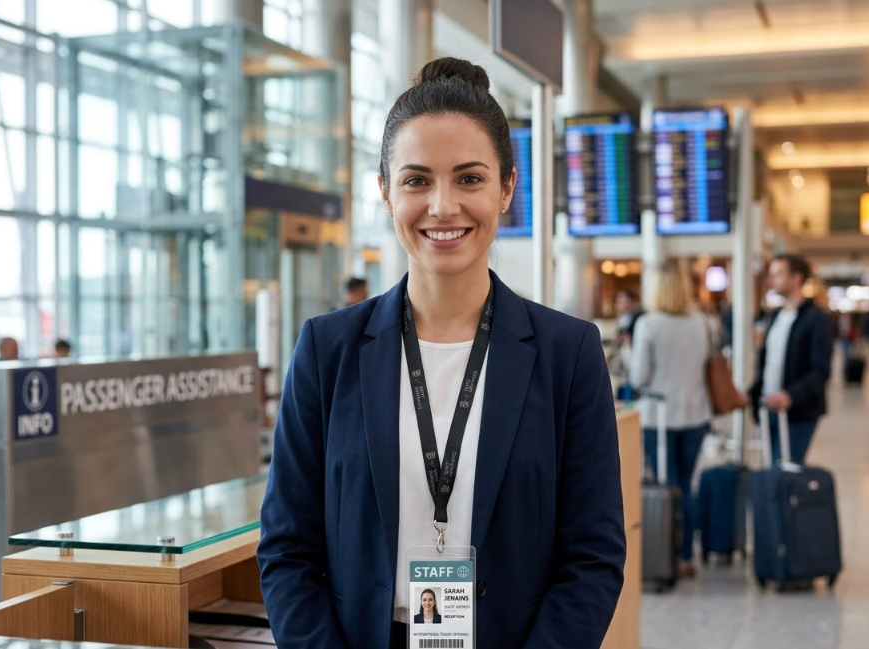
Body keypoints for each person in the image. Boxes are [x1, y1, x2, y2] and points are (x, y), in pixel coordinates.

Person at [257, 57, 625, 649]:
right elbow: (286, 550)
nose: (443, 206)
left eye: (470, 179)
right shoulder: (328, 350)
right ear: (386, 192)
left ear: (507, 189)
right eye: (417, 180)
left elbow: (593, 558)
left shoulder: (568, 355)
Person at [628, 262, 714, 578]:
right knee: (686, 485)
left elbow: (639, 377)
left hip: (660, 418)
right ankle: (687, 555)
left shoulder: (648, 325)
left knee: (667, 485)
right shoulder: (702, 323)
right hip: (695, 414)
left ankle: (666, 552)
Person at [749, 254, 833, 465]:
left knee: (786, 471)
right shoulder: (775, 316)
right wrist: (752, 394)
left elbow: (820, 371)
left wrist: (790, 395)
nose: (771, 280)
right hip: (769, 408)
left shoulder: (816, 319)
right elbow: (767, 363)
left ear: (796, 278)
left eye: (778, 274)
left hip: (797, 413)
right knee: (769, 470)